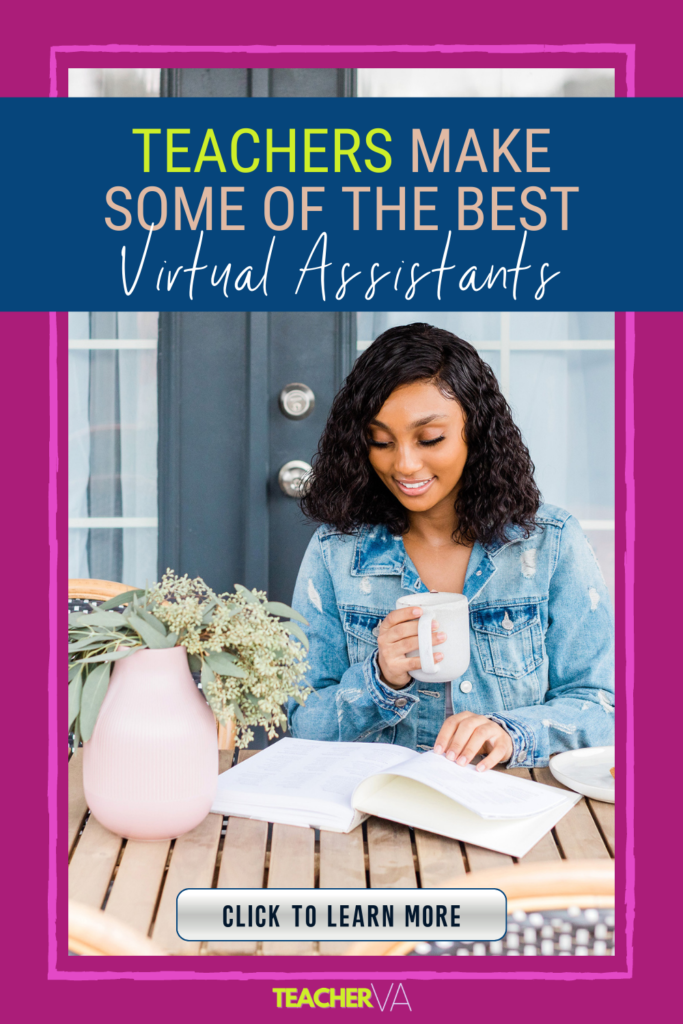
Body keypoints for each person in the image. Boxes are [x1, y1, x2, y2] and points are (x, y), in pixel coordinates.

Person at [288, 323, 614, 771]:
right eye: (381, 441)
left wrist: (511, 732)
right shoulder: (334, 552)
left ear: (475, 431)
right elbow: (302, 723)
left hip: (517, 817)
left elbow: (604, 706)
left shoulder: (550, 543)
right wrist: (379, 680)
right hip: (376, 823)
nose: (403, 463)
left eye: (430, 439)